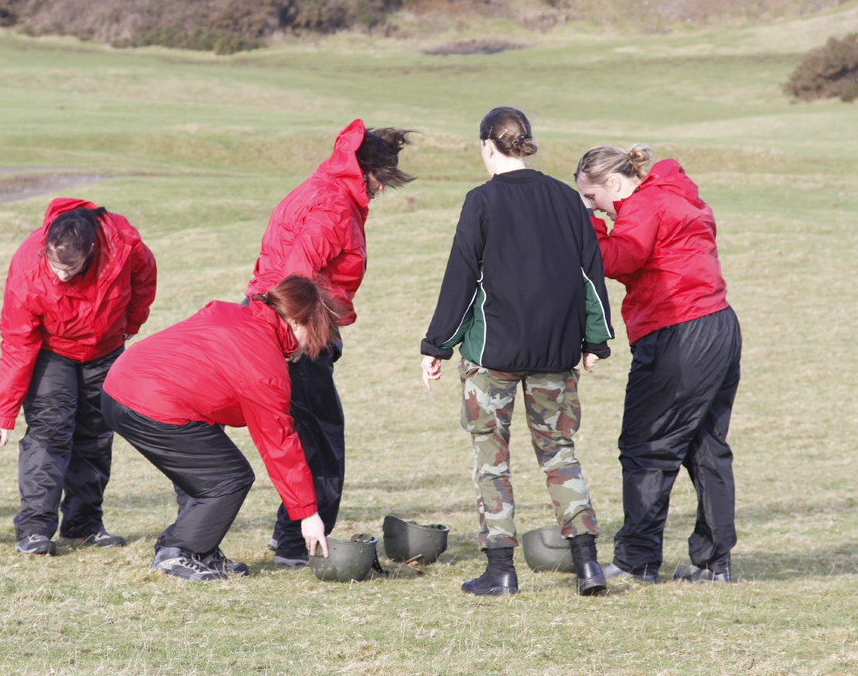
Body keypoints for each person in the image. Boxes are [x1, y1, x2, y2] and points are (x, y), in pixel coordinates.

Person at [420, 107, 613, 597]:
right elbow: (590, 273)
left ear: (488, 145)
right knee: (559, 454)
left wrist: (436, 346)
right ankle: (588, 566)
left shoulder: (480, 201)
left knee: (492, 460)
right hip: (556, 353)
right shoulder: (568, 199)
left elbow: (461, 280)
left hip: (494, 356)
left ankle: (500, 571)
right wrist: (596, 339)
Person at [246, 119, 414, 567]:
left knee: (309, 433)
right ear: (362, 170)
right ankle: (296, 545)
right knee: (319, 440)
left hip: (283, 321)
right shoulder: (333, 208)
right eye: (380, 180)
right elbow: (298, 277)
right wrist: (307, 338)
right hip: (297, 329)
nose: (381, 190)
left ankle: (289, 536)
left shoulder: (327, 190)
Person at [575, 145, 741, 585]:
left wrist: (585, 222)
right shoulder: (675, 196)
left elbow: (616, 258)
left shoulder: (644, 206)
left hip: (677, 332)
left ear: (613, 182)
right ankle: (713, 562)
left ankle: (636, 560)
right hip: (718, 323)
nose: (598, 209)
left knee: (647, 445)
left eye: (594, 198)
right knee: (705, 445)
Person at [100, 275, 336, 581]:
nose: (312, 344)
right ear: (295, 321)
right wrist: (308, 514)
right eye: (314, 331)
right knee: (229, 477)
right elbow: (279, 444)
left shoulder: (234, 312)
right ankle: (179, 552)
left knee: (210, 471)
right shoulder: (263, 365)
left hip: (120, 385)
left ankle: (201, 551)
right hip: (148, 402)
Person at [0, 199, 157, 556]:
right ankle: (34, 529)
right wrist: (3, 413)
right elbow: (18, 344)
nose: (61, 275)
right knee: (50, 433)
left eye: (71, 268)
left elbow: (144, 276)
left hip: (106, 349)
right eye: (54, 266)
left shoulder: (123, 245)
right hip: (52, 353)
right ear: (45, 245)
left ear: (92, 250)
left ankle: (84, 525)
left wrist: (131, 323)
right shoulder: (27, 269)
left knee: (96, 435)